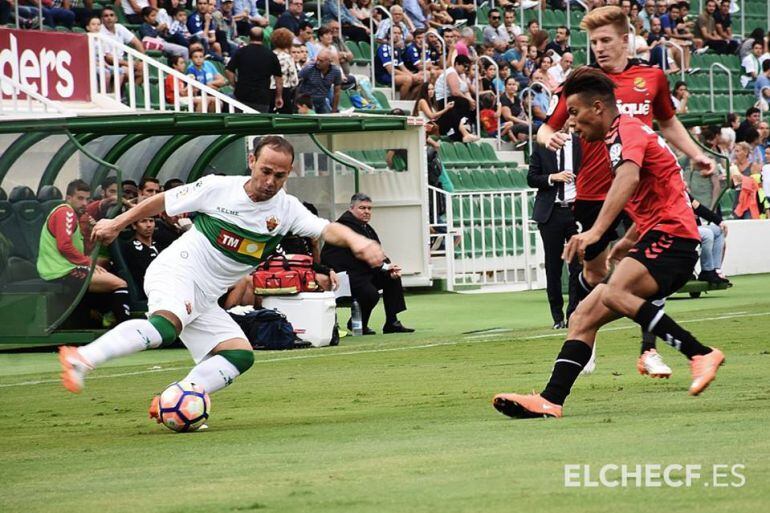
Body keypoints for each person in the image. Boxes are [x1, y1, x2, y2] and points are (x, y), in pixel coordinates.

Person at [58, 137, 386, 423]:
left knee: (239, 354)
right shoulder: (220, 188)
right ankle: (82, 358)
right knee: (165, 327)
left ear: (289, 173)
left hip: (205, 297)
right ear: (252, 161)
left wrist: (359, 241)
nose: (271, 180)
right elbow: (164, 202)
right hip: (178, 271)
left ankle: (176, 398)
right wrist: (117, 222)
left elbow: (327, 228)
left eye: (280, 175)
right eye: (265, 170)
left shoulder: (287, 210)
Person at [493, 68, 725, 419]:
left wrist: (597, 232)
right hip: (659, 234)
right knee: (582, 316)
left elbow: (629, 179)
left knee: (615, 291)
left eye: (574, 112)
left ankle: (699, 353)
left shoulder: (626, 131)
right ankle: (551, 400)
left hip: (674, 238)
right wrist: (628, 239)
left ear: (598, 107)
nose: (571, 123)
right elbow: (654, 193)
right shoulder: (619, 136)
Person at [537, 6, 716, 376]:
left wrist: (696, 154)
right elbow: (548, 127)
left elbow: (667, 122)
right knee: (595, 270)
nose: (599, 48)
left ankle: (651, 349)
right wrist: (548, 137)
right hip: (593, 190)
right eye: (593, 42)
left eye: (605, 40)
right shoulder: (585, 83)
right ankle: (586, 331)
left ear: (625, 39)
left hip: (635, 188)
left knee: (640, 266)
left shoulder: (650, 78)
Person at [37, 180, 130, 326]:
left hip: (68, 268)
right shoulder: (66, 212)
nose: (85, 203)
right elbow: (64, 246)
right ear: (68, 198)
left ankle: (102, 317)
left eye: (87, 199)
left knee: (110, 277)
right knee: (119, 283)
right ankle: (127, 328)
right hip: (61, 271)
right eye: (80, 198)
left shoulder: (76, 215)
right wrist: (88, 263)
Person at [321, 193, 413, 335]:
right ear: (351, 208)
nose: (367, 212)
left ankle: (392, 322)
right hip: (343, 276)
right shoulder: (345, 225)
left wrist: (390, 267)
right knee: (370, 293)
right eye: (362, 208)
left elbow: (376, 252)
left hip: (362, 272)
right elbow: (363, 255)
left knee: (391, 278)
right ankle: (358, 324)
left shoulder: (365, 227)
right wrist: (385, 267)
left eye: (369, 208)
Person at [527, 130, 581, 329]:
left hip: (577, 211)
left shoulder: (581, 143)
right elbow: (531, 178)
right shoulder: (542, 144)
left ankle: (574, 313)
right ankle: (557, 317)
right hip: (551, 212)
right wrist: (553, 177)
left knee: (578, 265)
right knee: (553, 266)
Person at [225, 27, 283, 113]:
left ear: (249, 37)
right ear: (263, 38)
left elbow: (229, 71)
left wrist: (234, 85)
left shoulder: (241, 52)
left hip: (242, 96)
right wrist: (279, 97)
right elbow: (278, 79)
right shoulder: (271, 55)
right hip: (262, 98)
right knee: (259, 124)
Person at [119, 217, 160, 300]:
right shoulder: (130, 247)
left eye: (151, 221)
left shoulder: (158, 245)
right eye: (143, 221)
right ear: (134, 225)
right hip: (149, 291)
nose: (148, 225)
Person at [297, 49, 343, 114]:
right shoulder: (309, 68)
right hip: (308, 102)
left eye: (321, 61)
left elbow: (337, 92)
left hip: (322, 101)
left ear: (329, 62)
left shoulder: (336, 71)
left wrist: (334, 110)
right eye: (317, 59)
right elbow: (296, 83)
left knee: (328, 119)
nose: (317, 62)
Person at [270, 27, 299, 114]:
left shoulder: (269, 55)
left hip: (269, 91)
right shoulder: (288, 58)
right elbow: (294, 81)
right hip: (284, 91)